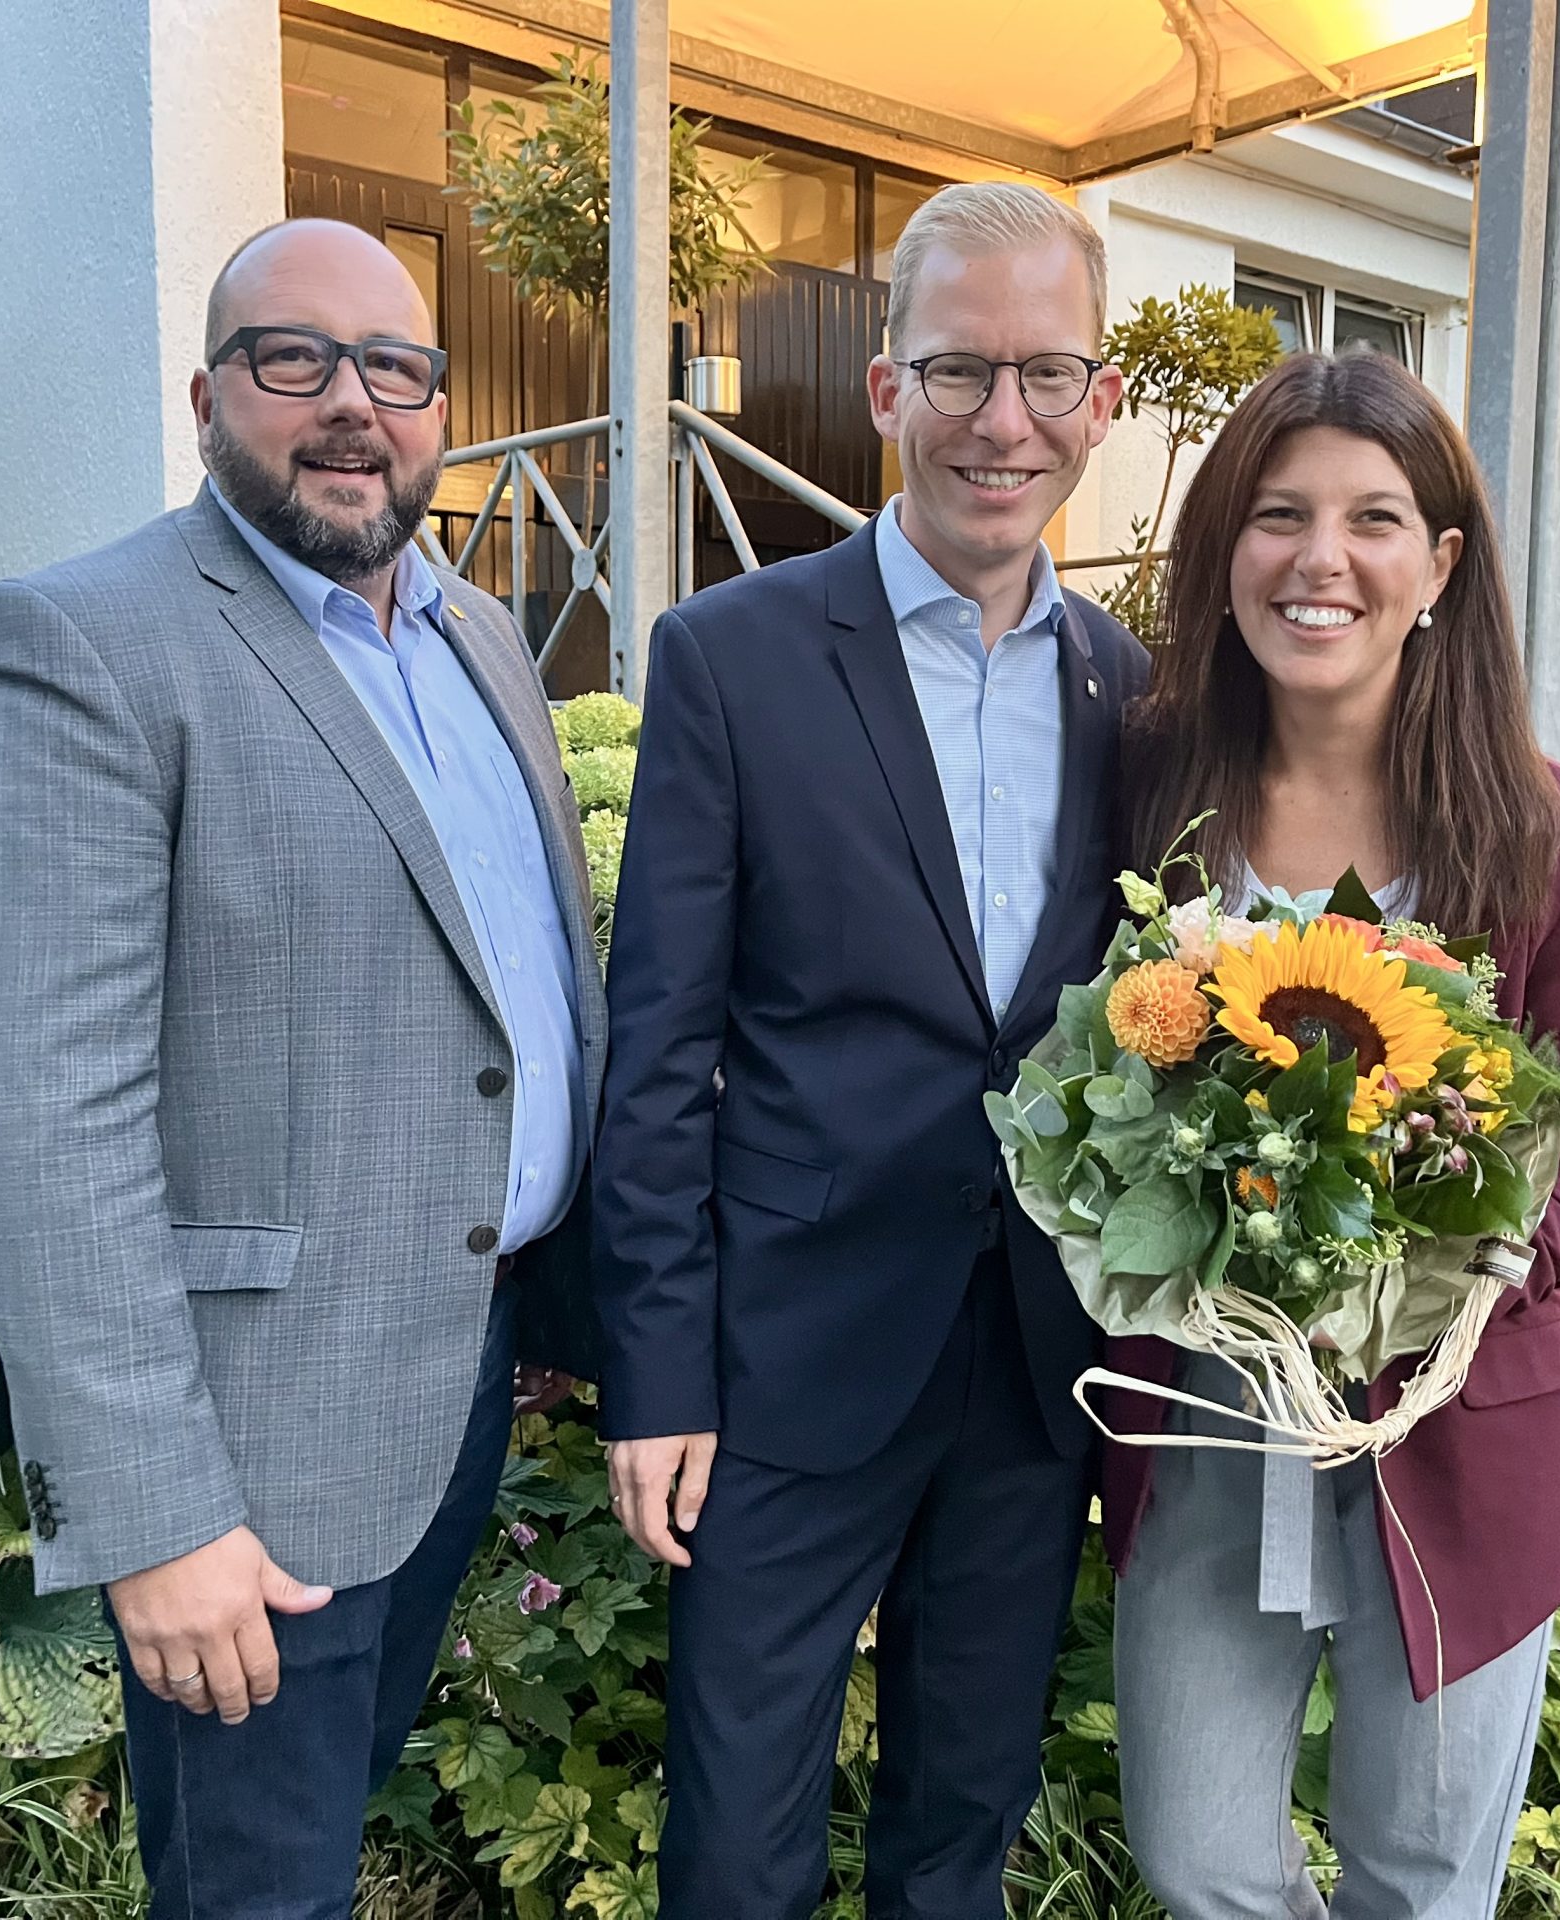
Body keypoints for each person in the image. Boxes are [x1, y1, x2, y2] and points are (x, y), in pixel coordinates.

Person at [0, 218, 603, 1918]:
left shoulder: (480, 639)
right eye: (295, 359)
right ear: (208, 394)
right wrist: (154, 1517)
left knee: (327, 1824)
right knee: (258, 1893)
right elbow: (46, 1120)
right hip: (249, 1450)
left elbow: (517, 990)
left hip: (460, 1368)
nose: (352, 403)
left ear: (437, 406)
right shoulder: (80, 643)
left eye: (396, 367)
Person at [592, 182, 1152, 1919]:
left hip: (1032, 1357)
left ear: (1101, 402)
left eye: (1047, 375)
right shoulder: (730, 658)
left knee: (959, 1829)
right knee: (737, 1843)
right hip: (788, 1354)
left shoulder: (1133, 690)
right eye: (961, 370)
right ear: (888, 387)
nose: (1004, 422)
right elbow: (658, 1046)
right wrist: (658, 1376)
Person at [1098, 350, 1560, 1919]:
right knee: (1199, 1859)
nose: (1319, 560)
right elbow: (1093, 1069)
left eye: (1373, 519)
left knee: (1421, 1882)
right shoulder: (1146, 793)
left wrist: (1462, 1247)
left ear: (1443, 564)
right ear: (1225, 550)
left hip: (1460, 1433)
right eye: (1277, 515)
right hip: (1208, 1417)